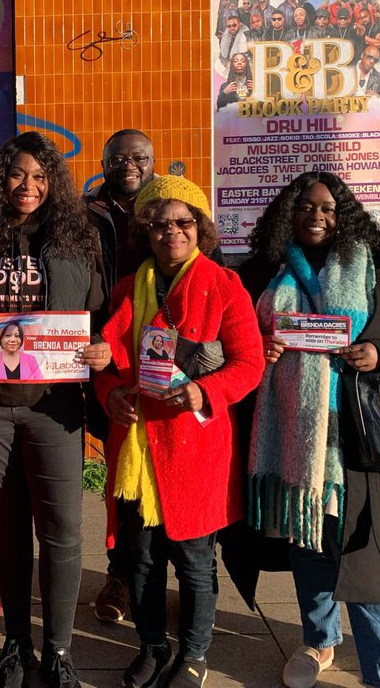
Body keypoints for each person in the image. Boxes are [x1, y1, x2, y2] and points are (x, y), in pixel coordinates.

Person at [240, 171, 380, 688]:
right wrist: (262, 348)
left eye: (327, 208)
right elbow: (238, 340)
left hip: (358, 441)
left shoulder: (374, 271)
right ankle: (320, 640)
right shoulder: (265, 272)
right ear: (286, 215)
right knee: (308, 544)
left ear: (344, 216)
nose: (315, 217)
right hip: (293, 439)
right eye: (304, 207)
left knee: (365, 559)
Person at [0, 131, 111, 688]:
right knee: (10, 526)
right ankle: (16, 641)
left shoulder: (78, 235)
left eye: (40, 177)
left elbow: (100, 313)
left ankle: (58, 648)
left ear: (54, 183)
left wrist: (100, 347)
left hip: (55, 404)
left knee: (63, 528)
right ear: (1, 177)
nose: (28, 186)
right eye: (18, 174)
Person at [95, 176, 264, 688]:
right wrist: (111, 392)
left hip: (195, 446)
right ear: (145, 232)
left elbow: (249, 363)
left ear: (201, 229)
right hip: (140, 450)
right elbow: (109, 364)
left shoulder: (224, 286)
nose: (172, 232)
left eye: (183, 222)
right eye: (160, 224)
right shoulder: (129, 289)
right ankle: (151, 646)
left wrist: (205, 392)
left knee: (193, 561)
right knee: (141, 561)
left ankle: (193, 656)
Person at [84, 129, 157, 624]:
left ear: (154, 163)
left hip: (162, 356)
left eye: (140, 158)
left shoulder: (171, 210)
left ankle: (170, 574)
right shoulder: (84, 214)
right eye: (118, 158)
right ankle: (120, 574)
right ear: (105, 163)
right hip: (97, 352)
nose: (129, 165)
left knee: (165, 467)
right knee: (117, 472)